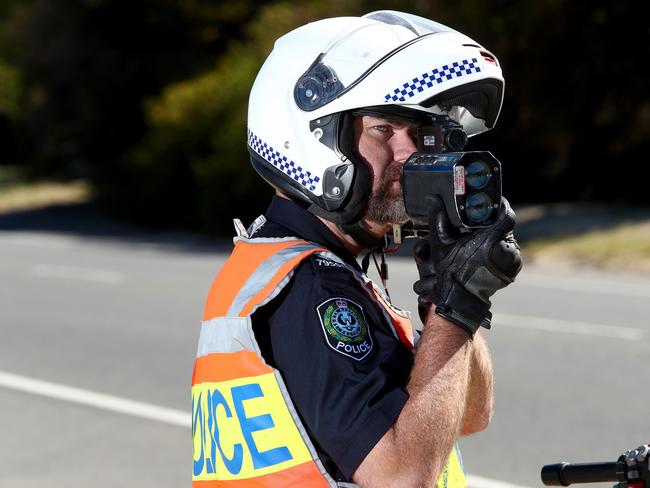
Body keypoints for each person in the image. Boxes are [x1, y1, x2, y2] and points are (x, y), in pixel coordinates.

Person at [191, 10, 522, 488]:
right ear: (311, 139)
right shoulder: (309, 289)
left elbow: (470, 414)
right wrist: (457, 306)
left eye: (419, 134)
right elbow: (401, 479)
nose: (410, 154)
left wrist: (445, 293)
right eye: (383, 130)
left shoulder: (311, 270)